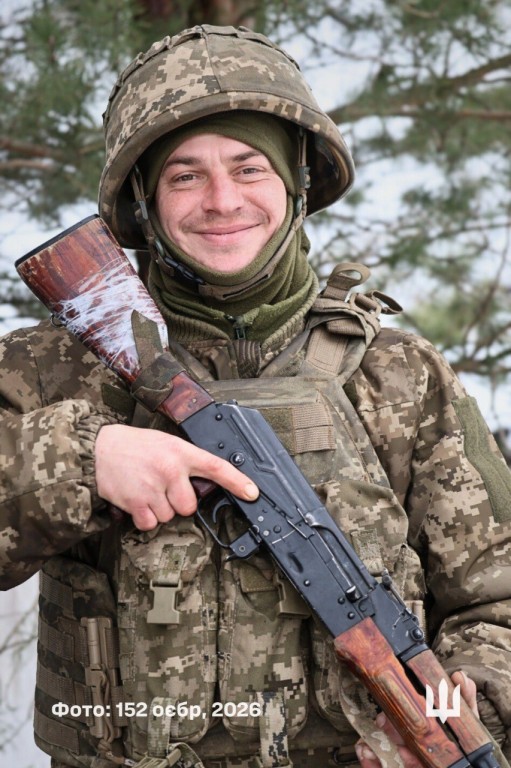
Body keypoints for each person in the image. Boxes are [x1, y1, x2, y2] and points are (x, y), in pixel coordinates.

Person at [1, 23, 510, 768]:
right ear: (143, 200)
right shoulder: (54, 367)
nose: (222, 201)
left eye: (249, 168)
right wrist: (84, 460)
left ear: (296, 182)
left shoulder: (398, 374)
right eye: (185, 176)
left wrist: (459, 711)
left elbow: (496, 600)